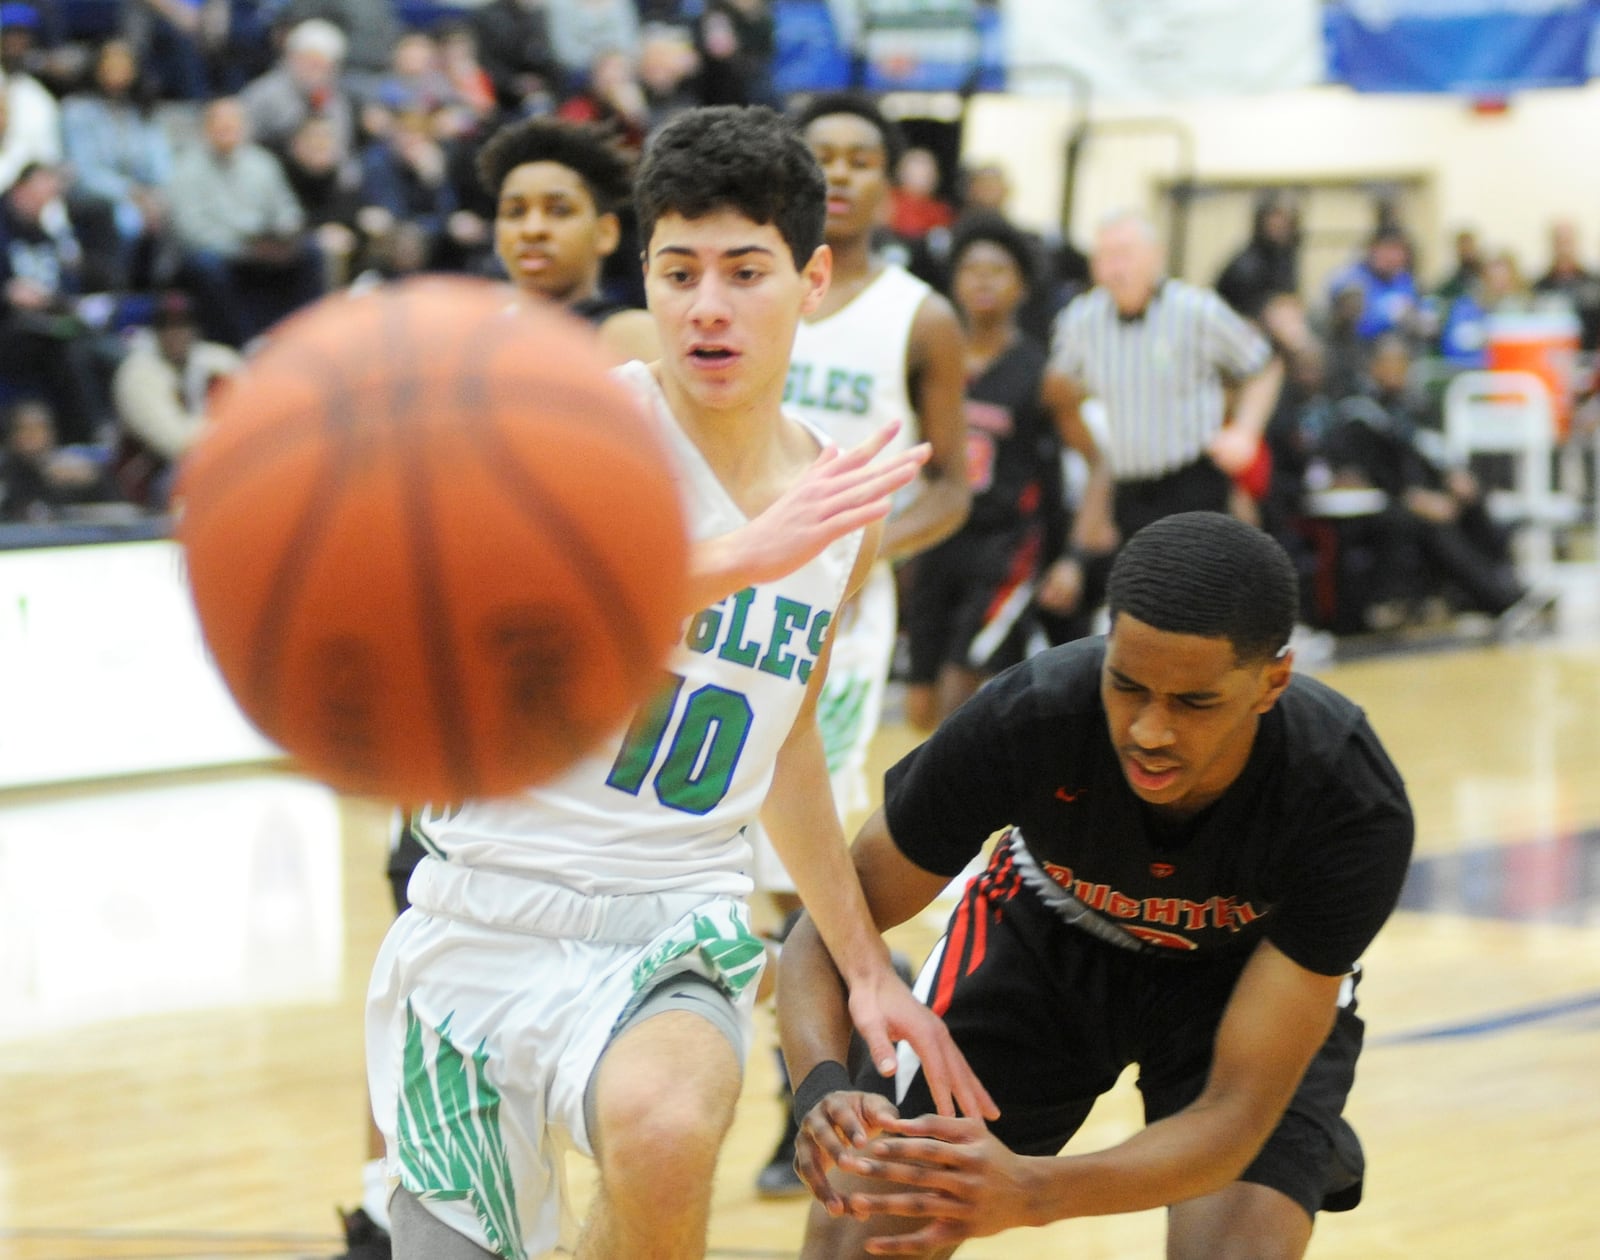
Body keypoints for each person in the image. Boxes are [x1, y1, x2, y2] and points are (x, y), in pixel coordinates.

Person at [362, 104, 992, 1260]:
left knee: (662, 1130)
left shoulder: (829, 500)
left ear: (809, 279)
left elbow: (784, 746)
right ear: (641, 277)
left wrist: (863, 971)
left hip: (671, 925)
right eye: (677, 271)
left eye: (744, 272)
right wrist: (732, 559)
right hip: (483, 916)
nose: (707, 306)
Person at [779, 510, 1415, 1259]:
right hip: (1044, 938)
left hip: (1243, 976)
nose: (1149, 730)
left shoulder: (1348, 799)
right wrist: (822, 1085)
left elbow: (1234, 1115)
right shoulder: (1030, 715)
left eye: (1194, 702)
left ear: (1273, 679)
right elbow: (829, 923)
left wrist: (1035, 1192)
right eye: (1127, 685)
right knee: (860, 1228)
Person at [330, 113, 673, 1260]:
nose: (532, 228)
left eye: (557, 208)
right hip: (453, 687)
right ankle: (386, 1198)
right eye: (515, 208)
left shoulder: (625, 335)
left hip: (576, 713)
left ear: (604, 229)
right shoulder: (461, 340)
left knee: (567, 1012)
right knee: (416, 957)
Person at [745, 90, 970, 1196]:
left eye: (859, 157)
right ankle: (854, 1045)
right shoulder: (758, 293)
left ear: (892, 181)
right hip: (734, 594)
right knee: (750, 853)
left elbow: (954, 489)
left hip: (837, 615)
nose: (839, 171)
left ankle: (825, 1084)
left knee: (799, 845)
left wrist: (864, 554)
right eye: (819, 154)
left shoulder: (921, 316)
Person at [902, 214, 1112, 731]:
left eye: (998, 270)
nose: (983, 280)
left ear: (1021, 286)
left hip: (1006, 546)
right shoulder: (931, 363)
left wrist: (1075, 557)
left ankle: (947, 805)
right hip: (936, 537)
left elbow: (1099, 463)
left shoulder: (1045, 376)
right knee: (919, 705)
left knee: (961, 682)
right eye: (971, 269)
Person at [1050, 210, 1284, 546]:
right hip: (1124, 485)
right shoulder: (1079, 321)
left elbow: (1263, 366)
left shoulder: (1196, 309)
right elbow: (1060, 394)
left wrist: (1246, 431)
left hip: (1193, 478)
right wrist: (1093, 479)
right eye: (1104, 257)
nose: (1114, 269)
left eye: (1124, 255)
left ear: (1155, 258)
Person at [109, 289, 241, 509]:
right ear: (156, 332)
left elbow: (252, 421)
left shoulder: (220, 362)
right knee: (192, 477)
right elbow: (178, 445)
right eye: (167, 327)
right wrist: (226, 437)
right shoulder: (137, 373)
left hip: (220, 462)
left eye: (183, 326)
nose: (176, 334)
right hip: (154, 480)